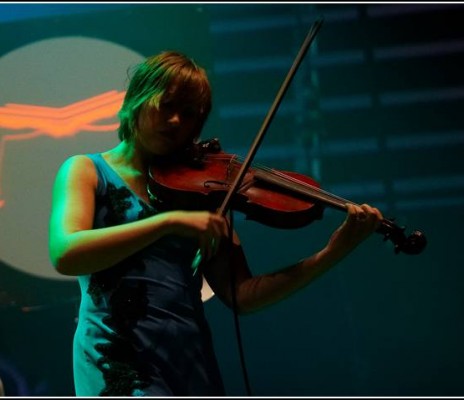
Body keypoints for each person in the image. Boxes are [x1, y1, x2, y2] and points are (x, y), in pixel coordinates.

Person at [48, 50, 383, 396]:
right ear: (137, 99)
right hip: (117, 357)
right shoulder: (86, 170)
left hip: (188, 360)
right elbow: (65, 252)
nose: (177, 121)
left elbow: (243, 295)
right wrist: (168, 223)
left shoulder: (199, 196)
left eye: (190, 114)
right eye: (167, 105)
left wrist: (332, 252)